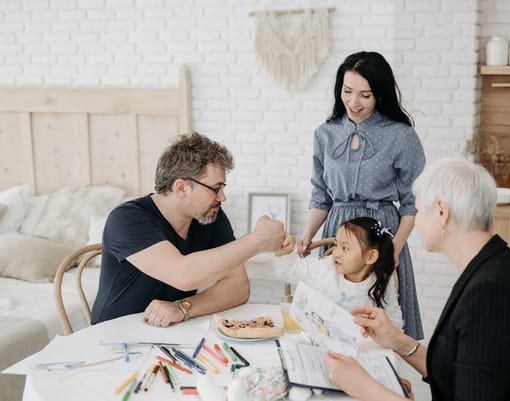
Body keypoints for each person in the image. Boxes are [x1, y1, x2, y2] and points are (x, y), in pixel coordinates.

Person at [323, 158, 510, 401]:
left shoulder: (491, 290)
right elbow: (461, 370)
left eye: (418, 211)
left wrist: (366, 388)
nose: (416, 222)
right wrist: (398, 341)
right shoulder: (491, 266)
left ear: (441, 211)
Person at [91, 132, 286, 327]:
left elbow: (239, 287)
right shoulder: (127, 219)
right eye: (215, 188)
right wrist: (259, 240)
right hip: (114, 335)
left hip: (172, 333)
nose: (222, 197)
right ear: (181, 188)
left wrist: (182, 308)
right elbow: (183, 275)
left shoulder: (209, 216)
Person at [298, 51, 426, 339]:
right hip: (337, 234)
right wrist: (307, 233)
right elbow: (321, 196)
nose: (354, 102)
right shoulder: (325, 133)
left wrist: (395, 247)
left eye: (365, 95)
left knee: (380, 319)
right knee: (328, 323)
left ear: (379, 95)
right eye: (347, 91)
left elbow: (412, 203)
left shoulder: (400, 136)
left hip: (382, 238)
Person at [271, 217, 403, 328]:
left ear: (370, 256)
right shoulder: (325, 268)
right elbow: (289, 270)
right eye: (336, 244)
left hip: (360, 351)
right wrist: (285, 252)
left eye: (345, 248)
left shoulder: (382, 281)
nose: (336, 253)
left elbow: (394, 322)